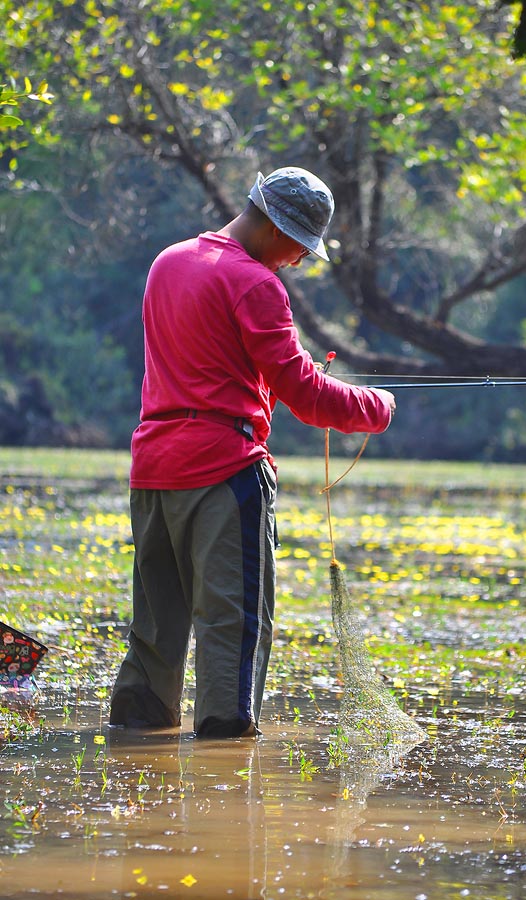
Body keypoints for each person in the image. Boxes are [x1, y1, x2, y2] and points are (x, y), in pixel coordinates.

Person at [109, 166, 396, 738]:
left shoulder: (168, 261)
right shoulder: (257, 284)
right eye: (300, 248)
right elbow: (308, 397)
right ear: (277, 228)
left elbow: (221, 361)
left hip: (153, 469)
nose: (299, 260)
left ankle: (135, 739)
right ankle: (225, 753)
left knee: (156, 623)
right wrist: (377, 407)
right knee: (231, 625)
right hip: (223, 474)